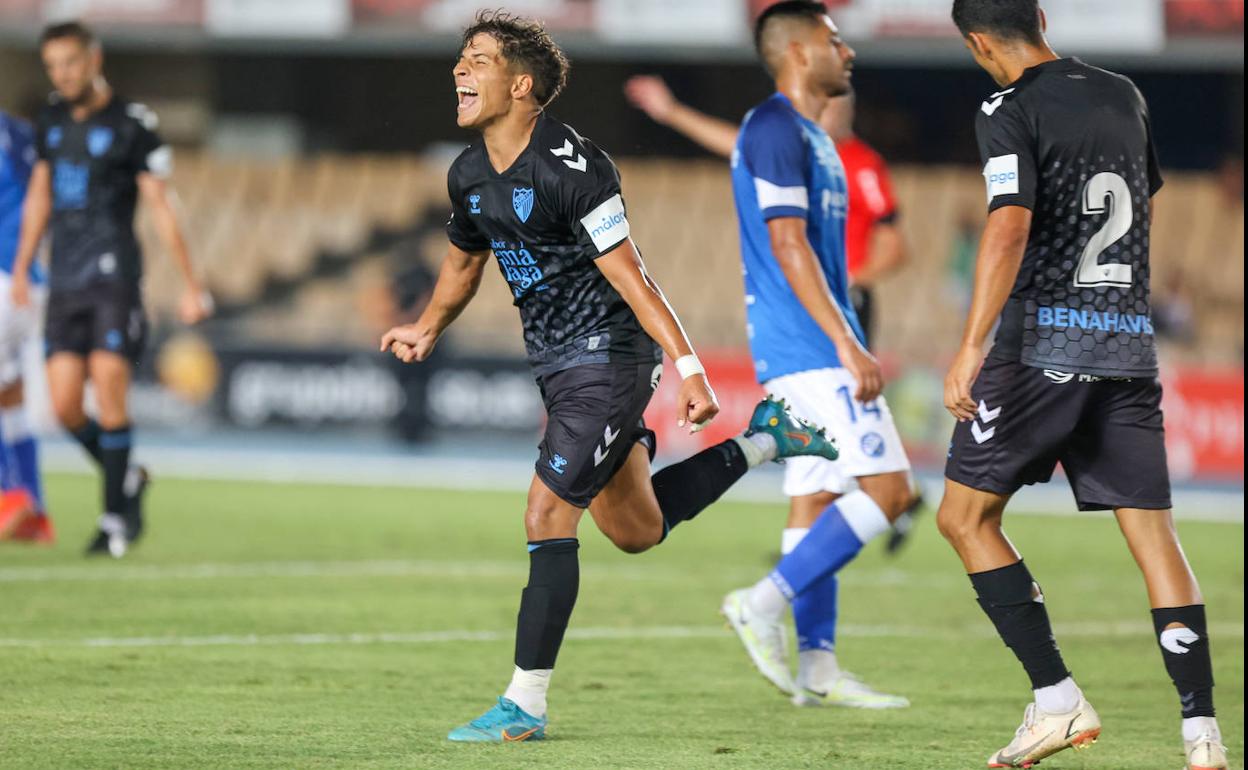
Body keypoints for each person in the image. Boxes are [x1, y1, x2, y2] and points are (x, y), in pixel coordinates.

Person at [379, 10, 839, 743]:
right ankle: (764, 441)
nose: (459, 71)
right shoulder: (468, 174)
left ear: (521, 84)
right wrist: (428, 326)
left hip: (609, 358)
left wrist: (688, 369)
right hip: (557, 365)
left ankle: (524, 703)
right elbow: (465, 264)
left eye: (478, 60)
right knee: (634, 529)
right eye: (460, 59)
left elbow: (633, 277)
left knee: (545, 516)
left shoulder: (572, 165)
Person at [937, 2, 1226, 768]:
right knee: (1153, 532)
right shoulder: (1122, 92)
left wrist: (970, 348)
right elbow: (1139, 196)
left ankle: (1057, 699)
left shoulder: (1007, 106)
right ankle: (1202, 735)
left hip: (1041, 346)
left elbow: (1008, 224)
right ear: (1038, 17)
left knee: (964, 519)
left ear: (976, 42)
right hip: (1128, 344)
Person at [624, 72, 925, 557]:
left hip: (833, 314)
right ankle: (805, 557)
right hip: (797, 315)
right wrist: (671, 112)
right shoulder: (790, 146)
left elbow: (895, 245)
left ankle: (855, 522)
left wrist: (850, 277)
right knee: (811, 443)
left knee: (834, 444)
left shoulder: (859, 164)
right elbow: (738, 145)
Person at [713, 1, 915, 709]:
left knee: (815, 497)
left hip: (804, 345)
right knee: (891, 492)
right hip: (808, 347)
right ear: (799, 51)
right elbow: (788, 244)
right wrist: (847, 341)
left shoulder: (816, 139)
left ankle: (819, 668)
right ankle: (760, 602)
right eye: (835, 40)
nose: (848, 52)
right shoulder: (773, 126)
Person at [10, 21, 212, 557]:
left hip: (113, 279)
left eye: (70, 62)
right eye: (53, 65)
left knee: (110, 387)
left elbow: (162, 206)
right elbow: (39, 197)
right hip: (65, 281)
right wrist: (26, 266)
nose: (62, 74)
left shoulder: (131, 124)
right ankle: (129, 479)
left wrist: (192, 285)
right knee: (65, 406)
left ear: (94, 59)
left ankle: (114, 522)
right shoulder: (50, 120)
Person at [0, 110, 51, 543]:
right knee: (8, 395)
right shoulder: (22, 133)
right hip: (27, 281)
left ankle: (10, 499)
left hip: (4, 278)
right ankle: (36, 512)